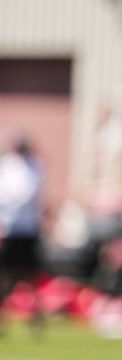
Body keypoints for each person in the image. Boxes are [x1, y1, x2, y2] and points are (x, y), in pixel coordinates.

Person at [0, 135, 45, 333]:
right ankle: (4, 317)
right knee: (6, 275)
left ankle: (35, 317)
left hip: (27, 229)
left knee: (29, 275)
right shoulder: (6, 165)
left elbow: (26, 194)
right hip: (8, 228)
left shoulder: (35, 166)